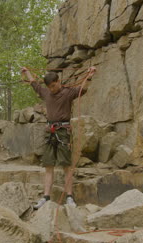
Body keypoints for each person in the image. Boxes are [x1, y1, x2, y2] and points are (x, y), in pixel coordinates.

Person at [21, 66, 96, 209]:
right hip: (50, 131)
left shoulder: (68, 93)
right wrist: (27, 72)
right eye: (49, 87)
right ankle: (46, 197)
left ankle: (69, 197)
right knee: (48, 166)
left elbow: (83, 89)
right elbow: (33, 84)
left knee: (66, 166)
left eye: (54, 86)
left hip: (63, 131)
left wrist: (90, 75)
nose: (52, 89)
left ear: (58, 81)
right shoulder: (46, 92)